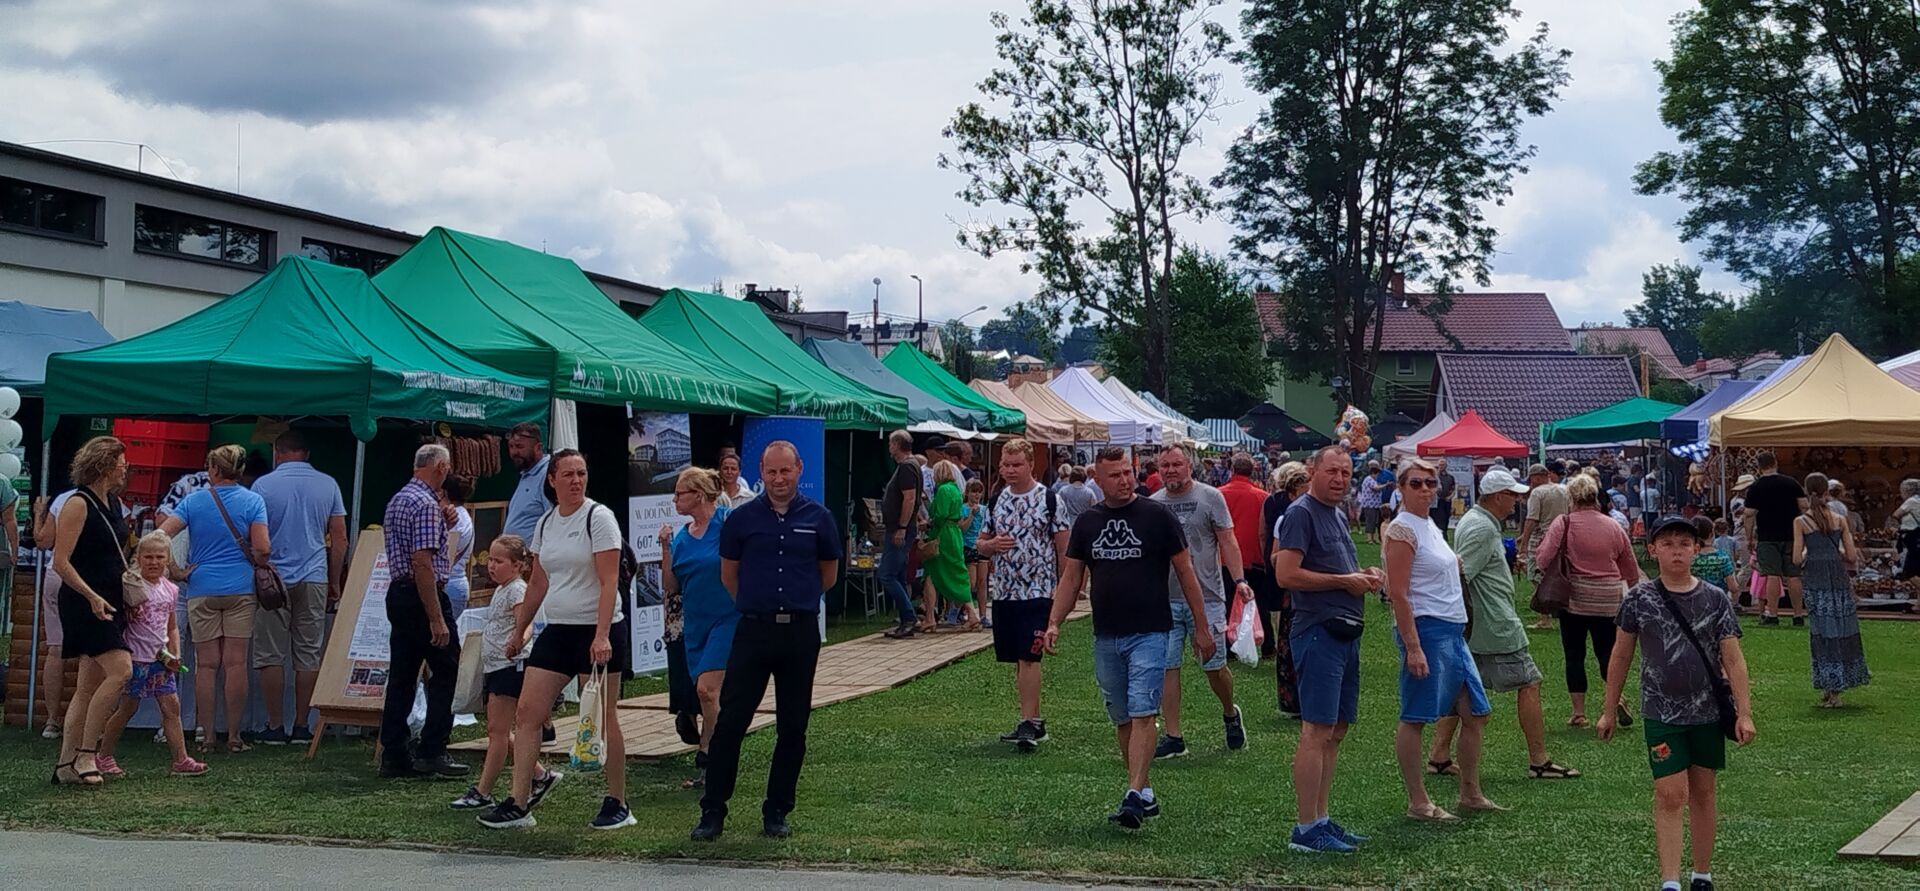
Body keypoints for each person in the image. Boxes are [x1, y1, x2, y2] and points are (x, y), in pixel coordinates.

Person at [1042, 446, 1210, 830]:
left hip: (1151, 630)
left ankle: (1132, 793)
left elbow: (1186, 572)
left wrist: (1202, 626)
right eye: (1115, 475)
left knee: (1142, 711)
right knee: (1122, 716)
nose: (1124, 480)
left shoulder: (1157, 516)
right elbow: (1072, 577)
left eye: (1127, 473)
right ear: (1098, 480)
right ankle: (1143, 790)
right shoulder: (1088, 522)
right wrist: (1054, 621)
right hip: (1107, 633)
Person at [691, 441, 842, 842]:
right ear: (760, 472)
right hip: (753, 630)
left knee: (793, 725)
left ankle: (777, 810)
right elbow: (729, 576)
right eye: (771, 472)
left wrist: (798, 599)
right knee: (731, 722)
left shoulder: (819, 518)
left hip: (799, 632)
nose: (778, 479)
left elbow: (827, 575)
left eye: (785, 471)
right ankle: (713, 811)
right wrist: (756, 603)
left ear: (798, 469)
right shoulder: (742, 520)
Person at [1598, 516, 1756, 891]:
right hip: (1661, 711)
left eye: (1684, 544)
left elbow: (1733, 659)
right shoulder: (1639, 599)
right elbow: (1621, 654)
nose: (1676, 552)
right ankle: (1670, 880)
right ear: (1653, 550)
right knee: (1670, 793)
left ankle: (1702, 873)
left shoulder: (1715, 599)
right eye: (1667, 544)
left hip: (1707, 711)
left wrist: (1745, 713)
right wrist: (1608, 709)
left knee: (1703, 790)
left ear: (1697, 549)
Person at [482, 449, 629, 828]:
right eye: (568, 474)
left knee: (603, 716)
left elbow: (609, 580)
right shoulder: (546, 523)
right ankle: (519, 802)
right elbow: (538, 582)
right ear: (552, 480)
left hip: (598, 629)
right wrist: (520, 631)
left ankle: (617, 802)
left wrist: (601, 635)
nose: (576, 481)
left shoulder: (599, 518)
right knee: (527, 712)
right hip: (559, 629)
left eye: (581, 473)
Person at [1430, 468, 1580, 782]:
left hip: (1478, 625)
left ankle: (1439, 756)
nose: (1517, 501)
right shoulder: (1482, 528)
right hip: (1494, 623)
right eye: (1512, 495)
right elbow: (1461, 574)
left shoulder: (1476, 521)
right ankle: (1539, 760)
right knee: (1530, 682)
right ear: (1498, 497)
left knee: (1461, 687)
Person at [1273, 444, 1385, 853]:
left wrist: (1362, 574)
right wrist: (1343, 581)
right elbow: (1286, 574)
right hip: (1318, 630)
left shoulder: (1336, 513)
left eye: (1345, 473)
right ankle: (1305, 828)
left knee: (1335, 729)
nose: (1339, 479)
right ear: (1312, 471)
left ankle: (1320, 818)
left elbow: (1336, 568)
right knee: (1317, 729)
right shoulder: (1301, 513)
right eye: (1332, 472)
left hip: (1343, 631)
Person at [1382, 458, 1500, 821]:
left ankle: (1470, 793)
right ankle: (1418, 802)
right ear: (1401, 488)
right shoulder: (1402, 529)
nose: (1425, 489)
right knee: (1416, 715)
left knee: (1475, 712)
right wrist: (1413, 646)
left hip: (1452, 631)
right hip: (1428, 630)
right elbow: (1398, 593)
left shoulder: (1429, 524)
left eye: (1430, 483)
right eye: (1415, 483)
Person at [158, 445, 269, 754]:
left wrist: (176, 570)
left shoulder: (193, 501)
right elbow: (263, 548)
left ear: (215, 470)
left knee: (205, 665)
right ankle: (233, 736)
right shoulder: (253, 501)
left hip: (201, 587)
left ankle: (206, 737)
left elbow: (161, 535)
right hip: (240, 588)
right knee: (235, 663)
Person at [1150, 445, 1251, 758]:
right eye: (1165, 465)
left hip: (1207, 597)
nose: (1171, 470)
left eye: (1176, 464)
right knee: (1167, 666)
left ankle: (1230, 712)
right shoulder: (1154, 504)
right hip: (1166, 598)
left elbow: (1227, 540)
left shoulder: (1210, 497)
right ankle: (1173, 735)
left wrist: (1239, 580)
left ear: (1189, 466)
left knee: (1213, 667)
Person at [248, 430, 347, 746]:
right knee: (308, 653)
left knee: (271, 654)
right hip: (314, 575)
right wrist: (334, 581)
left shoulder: (262, 486)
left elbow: (255, 536)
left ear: (277, 452)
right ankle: (303, 725)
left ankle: (275, 725)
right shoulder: (329, 484)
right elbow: (340, 538)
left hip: (273, 579)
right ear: (307, 453)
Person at [376, 444, 468, 780]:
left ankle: (394, 752)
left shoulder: (400, 498)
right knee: (446, 669)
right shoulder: (427, 504)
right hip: (422, 595)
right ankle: (432, 749)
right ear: (441, 467)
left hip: (399, 593)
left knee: (402, 674)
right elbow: (423, 562)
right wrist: (436, 617)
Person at [451, 535, 560, 810]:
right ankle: (540, 775)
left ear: (518, 565)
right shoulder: (502, 589)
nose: (491, 566)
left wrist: (518, 640)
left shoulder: (517, 590)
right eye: (490, 559)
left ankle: (483, 790)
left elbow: (526, 622)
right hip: (496, 666)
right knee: (498, 730)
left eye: (499, 561)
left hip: (510, 666)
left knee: (497, 732)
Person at [50, 437, 134, 787]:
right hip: (85, 601)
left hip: (111, 597)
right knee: (121, 670)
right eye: (122, 462)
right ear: (105, 465)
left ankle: (65, 764)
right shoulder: (77, 503)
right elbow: (60, 561)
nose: (126, 468)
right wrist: (90, 595)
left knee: (88, 686)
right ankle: (87, 752)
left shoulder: (112, 502)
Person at [978, 438, 1068, 749]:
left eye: (1017, 465)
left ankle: (1029, 722)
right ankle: (1032, 718)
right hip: (1005, 591)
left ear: (1031, 465)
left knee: (1031, 655)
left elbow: (1063, 548)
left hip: (1038, 589)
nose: (1010, 470)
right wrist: (991, 546)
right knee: (1019, 657)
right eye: (1006, 465)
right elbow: (980, 543)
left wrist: (1064, 588)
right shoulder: (996, 501)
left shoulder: (1050, 500)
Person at [95, 531, 207, 778]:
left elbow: (172, 626)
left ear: (167, 559)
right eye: (148, 557)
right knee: (127, 708)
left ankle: (181, 759)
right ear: (139, 558)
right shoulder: (131, 586)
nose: (154, 562)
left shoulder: (170, 589)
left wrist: (175, 652)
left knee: (171, 707)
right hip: (135, 658)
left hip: (160, 659)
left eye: (159, 557)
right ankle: (103, 755)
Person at [1535, 473, 1641, 730]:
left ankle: (1579, 713)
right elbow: (1630, 568)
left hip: (1574, 598)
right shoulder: (1613, 525)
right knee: (1607, 653)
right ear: (1596, 497)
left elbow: (1543, 559)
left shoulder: (1564, 523)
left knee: (1574, 654)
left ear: (1571, 498)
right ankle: (1616, 700)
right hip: (1608, 598)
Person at [659, 467, 737, 784]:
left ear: (699, 495)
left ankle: (710, 755)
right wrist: (665, 548)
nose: (674, 499)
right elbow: (671, 586)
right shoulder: (681, 537)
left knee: (707, 690)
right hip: (696, 625)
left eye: (680, 493)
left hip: (728, 617)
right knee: (707, 696)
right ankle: (715, 755)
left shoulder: (727, 523)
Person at [1795, 472, 1869, 708]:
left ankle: (1830, 686)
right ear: (1826, 491)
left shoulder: (1801, 522)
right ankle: (1838, 686)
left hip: (1815, 580)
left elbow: (1796, 558)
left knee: (1822, 632)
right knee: (1842, 628)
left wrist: (1809, 552)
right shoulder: (1840, 519)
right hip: (1837, 579)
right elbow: (1851, 555)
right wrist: (1834, 551)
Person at [1261, 462, 1309, 718]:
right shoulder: (1286, 518)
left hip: (1312, 591)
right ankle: (1294, 701)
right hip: (1295, 589)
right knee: (1291, 643)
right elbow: (1274, 556)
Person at [1744, 452, 1807, 625]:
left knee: (1772, 574)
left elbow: (1748, 514)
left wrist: (1749, 538)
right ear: (1775, 463)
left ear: (1759, 467)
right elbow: (1804, 505)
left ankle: (1772, 614)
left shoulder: (1756, 487)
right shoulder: (1791, 483)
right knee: (1794, 575)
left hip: (1767, 536)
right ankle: (1798, 615)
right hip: (1792, 535)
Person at [878, 431, 924, 639]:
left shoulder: (906, 467)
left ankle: (909, 617)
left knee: (886, 574)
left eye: (890, 443)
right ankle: (906, 620)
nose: (889, 448)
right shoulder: (912, 465)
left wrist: (902, 527)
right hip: (900, 528)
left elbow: (910, 498)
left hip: (899, 529)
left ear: (897, 445)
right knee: (898, 575)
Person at [31, 493, 70, 738]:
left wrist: (38, 513)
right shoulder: (113, 503)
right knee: (93, 653)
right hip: (90, 577)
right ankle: (89, 722)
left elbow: (42, 541)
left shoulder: (62, 500)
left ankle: (52, 720)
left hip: (57, 572)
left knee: (56, 649)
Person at [924, 460, 979, 632]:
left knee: (934, 572)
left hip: (943, 534)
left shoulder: (943, 490)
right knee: (955, 571)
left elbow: (940, 514)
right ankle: (969, 612)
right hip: (955, 533)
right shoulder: (956, 489)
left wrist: (929, 523)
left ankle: (930, 617)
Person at [1519, 463, 1571, 629]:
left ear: (1536, 477)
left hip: (1541, 536)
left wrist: (1524, 543)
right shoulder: (1564, 490)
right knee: (1560, 572)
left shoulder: (1537, 493)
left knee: (1536, 574)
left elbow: (1532, 519)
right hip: (1563, 535)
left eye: (1532, 478)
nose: (1531, 482)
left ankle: (1544, 618)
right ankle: (1561, 609)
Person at [501, 422, 552, 542]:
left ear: (538, 448)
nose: (514, 452)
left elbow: (554, 522)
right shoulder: (527, 473)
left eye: (520, 446)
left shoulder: (547, 476)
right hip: (514, 552)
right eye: (511, 446)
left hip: (532, 553)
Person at [442, 475, 476, 621]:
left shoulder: (455, 518)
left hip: (450, 585)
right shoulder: (463, 515)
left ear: (444, 493)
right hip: (456, 584)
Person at [962, 478, 992, 626]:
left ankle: (983, 614)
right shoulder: (963, 508)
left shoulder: (985, 509)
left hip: (981, 546)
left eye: (979, 492)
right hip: (968, 546)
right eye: (974, 492)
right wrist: (971, 515)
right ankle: (967, 611)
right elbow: (963, 528)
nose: (977, 495)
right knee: (971, 582)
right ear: (967, 493)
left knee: (982, 582)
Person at [1690, 516, 1735, 594]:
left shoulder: (1690, 558)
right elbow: (1733, 587)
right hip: (1718, 599)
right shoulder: (1722, 557)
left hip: (1695, 599)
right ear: (1711, 534)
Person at [1895, 478, 1920, 580]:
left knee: (1908, 560)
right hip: (1917, 535)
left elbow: (1896, 514)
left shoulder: (1911, 501)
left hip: (1910, 535)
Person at [1357, 461, 1386, 544]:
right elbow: (1376, 488)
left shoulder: (1373, 480)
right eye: (1378, 474)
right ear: (1374, 473)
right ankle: (1369, 539)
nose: (1378, 476)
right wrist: (1386, 485)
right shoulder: (1369, 479)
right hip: (1370, 505)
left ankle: (1373, 538)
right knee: (1370, 521)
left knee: (1374, 522)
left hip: (1375, 505)